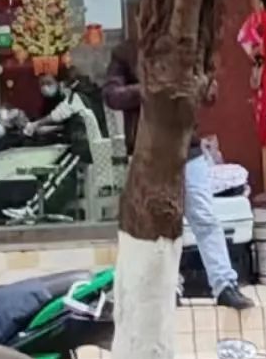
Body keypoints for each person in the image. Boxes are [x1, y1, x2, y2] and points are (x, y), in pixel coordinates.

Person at [102, 40, 253, 311]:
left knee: (204, 217)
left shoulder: (184, 46)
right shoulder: (126, 51)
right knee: (160, 224)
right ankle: (168, 288)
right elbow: (112, 96)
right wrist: (150, 91)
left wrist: (199, 85)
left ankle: (224, 285)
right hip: (148, 152)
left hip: (187, 148)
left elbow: (210, 94)